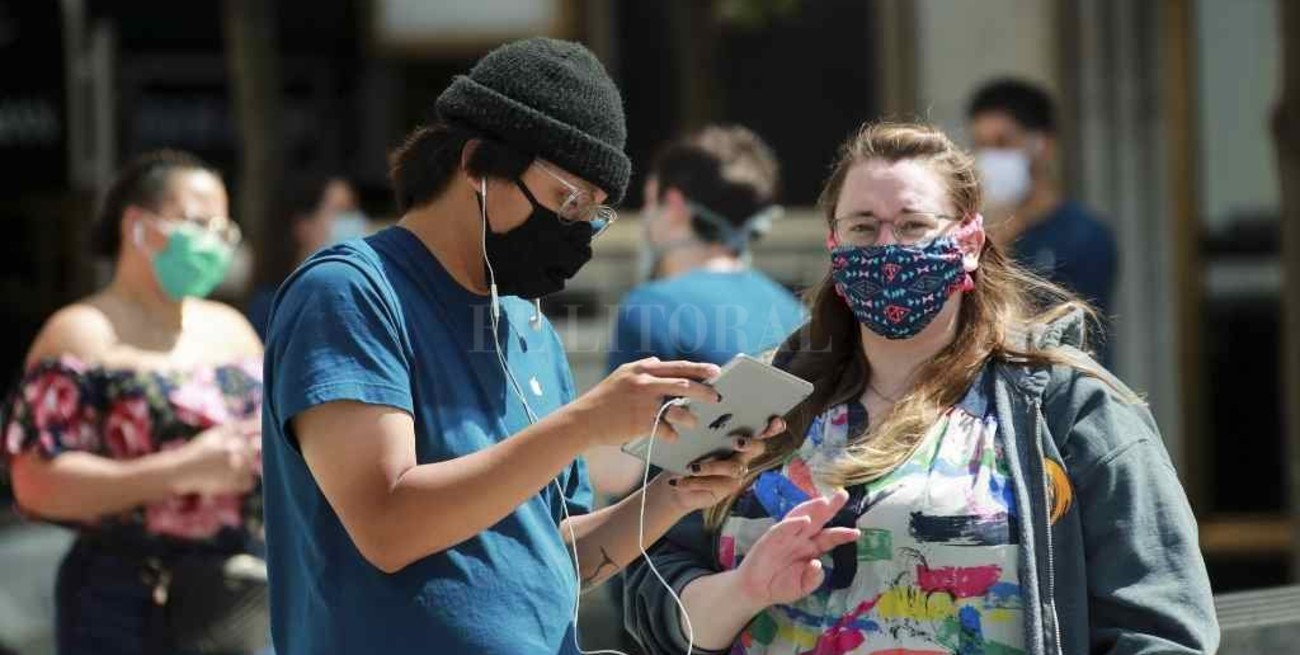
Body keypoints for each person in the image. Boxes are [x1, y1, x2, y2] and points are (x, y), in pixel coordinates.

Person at [260, 37, 780, 655]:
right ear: (477, 164)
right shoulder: (349, 292)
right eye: (567, 200)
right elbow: (387, 526)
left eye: (595, 213)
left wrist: (676, 492)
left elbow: (554, 557)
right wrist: (584, 424)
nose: (578, 230)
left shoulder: (527, 325)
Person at [624, 122, 1218, 655]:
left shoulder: (1066, 407)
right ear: (834, 244)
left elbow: (1160, 627)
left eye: (912, 226)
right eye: (863, 227)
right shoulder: (757, 396)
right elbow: (652, 577)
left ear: (969, 243)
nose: (887, 248)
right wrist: (743, 590)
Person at [2, 150, 269, 654]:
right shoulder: (81, 333)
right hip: (124, 595)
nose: (214, 242)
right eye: (198, 223)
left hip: (236, 589)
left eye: (224, 229)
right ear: (138, 227)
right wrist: (181, 471)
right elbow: (35, 483)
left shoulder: (232, 329)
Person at [592, 125, 807, 497]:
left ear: (675, 205)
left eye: (650, 202)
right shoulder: (795, 311)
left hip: (672, 531)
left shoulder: (650, 307)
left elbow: (612, 474)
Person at [967, 78, 1117, 362]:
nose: (989, 158)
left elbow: (1065, 335)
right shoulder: (972, 234)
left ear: (1042, 146)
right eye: (980, 145)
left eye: (1002, 143)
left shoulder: (1084, 236)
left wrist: (999, 254)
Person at [245, 175, 369, 340]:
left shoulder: (365, 300)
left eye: (352, 210)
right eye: (341, 211)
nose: (352, 221)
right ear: (303, 225)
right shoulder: (271, 306)